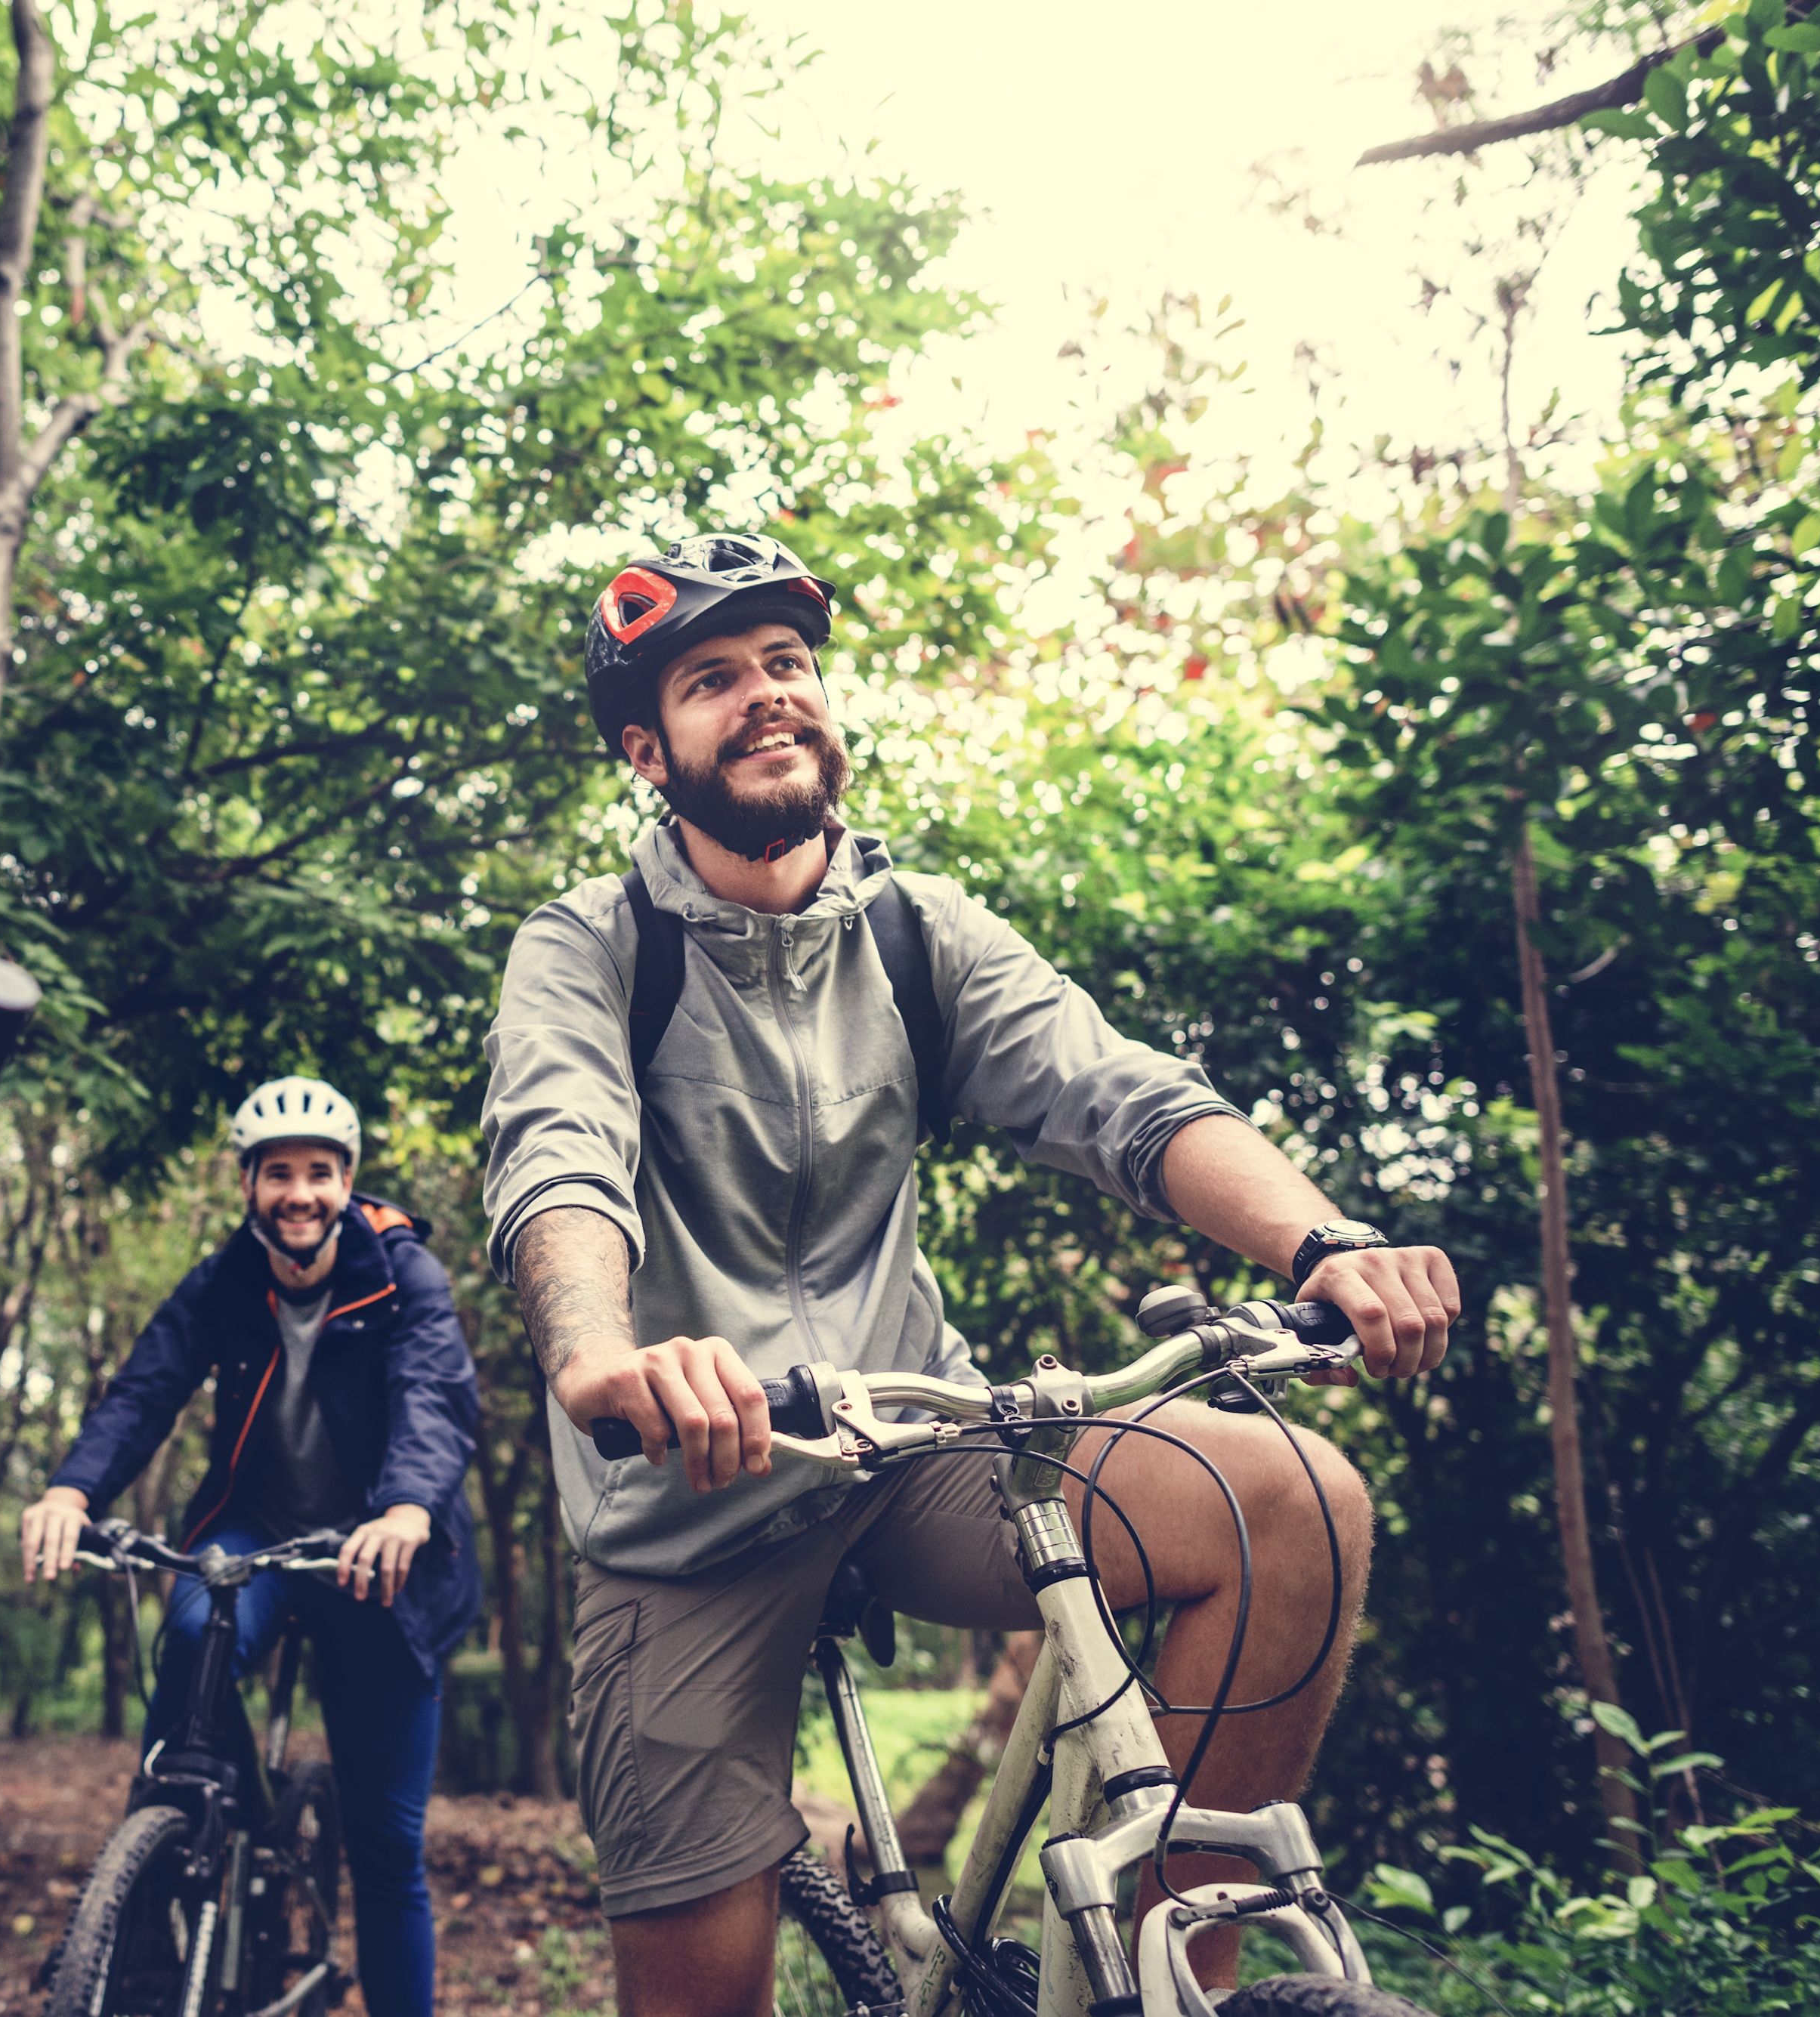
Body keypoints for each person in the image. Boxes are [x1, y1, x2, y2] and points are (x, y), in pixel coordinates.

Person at [477, 532, 1463, 2017]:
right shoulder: (588, 952)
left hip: (908, 1447)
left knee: (1297, 1501)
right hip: (686, 1499)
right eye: (709, 679)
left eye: (786, 665)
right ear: (643, 748)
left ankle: (1176, 1972)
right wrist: (596, 1357)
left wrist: (1321, 1239)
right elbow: (560, 1161)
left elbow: (1122, 1097)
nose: (764, 696)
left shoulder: (913, 933)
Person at [21, 1078, 481, 2017]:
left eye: (319, 1173)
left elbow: (434, 1396)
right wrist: (71, 1490)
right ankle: (158, 1895)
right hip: (257, 1532)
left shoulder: (403, 1274)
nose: (299, 1193)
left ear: (347, 1182)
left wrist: (402, 1510)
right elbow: (145, 1388)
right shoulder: (227, 1279)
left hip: (374, 1555)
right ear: (248, 1186)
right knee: (190, 1640)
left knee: (386, 1846)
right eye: (278, 1174)